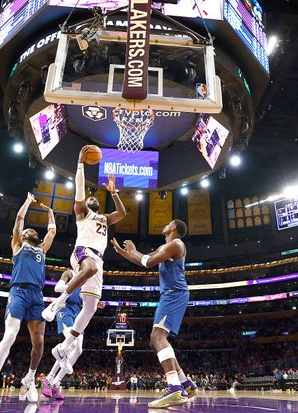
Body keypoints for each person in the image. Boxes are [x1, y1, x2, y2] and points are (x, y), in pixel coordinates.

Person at [41, 147, 126, 365]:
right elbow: (80, 189)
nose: (91, 198)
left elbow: (122, 214)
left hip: (98, 257)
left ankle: (64, 347)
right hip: (82, 251)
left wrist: (114, 192)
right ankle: (58, 302)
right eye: (89, 198)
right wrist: (79, 163)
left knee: (89, 308)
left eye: (93, 198)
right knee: (91, 269)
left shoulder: (104, 218)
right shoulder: (82, 212)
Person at [111, 219, 198, 408]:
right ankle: (184, 383)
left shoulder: (175, 244)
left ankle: (174, 388)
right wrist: (124, 252)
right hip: (169, 295)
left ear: (173, 228)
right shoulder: (166, 246)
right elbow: (143, 259)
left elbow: (148, 262)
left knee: (158, 336)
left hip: (174, 294)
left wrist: (133, 252)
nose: (164, 224)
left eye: (168, 223)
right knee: (154, 341)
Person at [0, 193, 56, 406]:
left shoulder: (41, 248)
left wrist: (50, 212)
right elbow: (19, 221)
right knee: (11, 335)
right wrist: (27, 203)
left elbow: (52, 231)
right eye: (26, 231)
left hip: (37, 295)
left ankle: (30, 378)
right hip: (19, 292)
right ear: (22, 236)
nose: (30, 230)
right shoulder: (17, 245)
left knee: (39, 342)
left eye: (32, 230)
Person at [42, 269, 83, 400]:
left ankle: (55, 382)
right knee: (71, 345)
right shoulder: (70, 273)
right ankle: (48, 381)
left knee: (78, 350)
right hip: (65, 310)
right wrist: (74, 284)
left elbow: (82, 298)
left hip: (78, 313)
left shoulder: (87, 277)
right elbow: (57, 288)